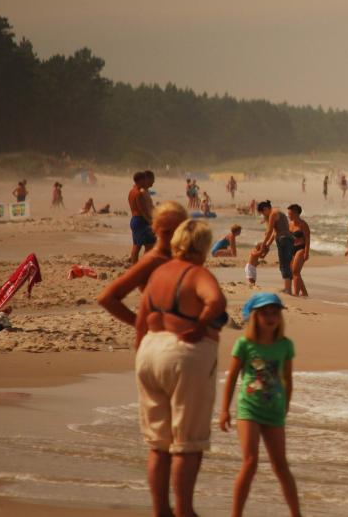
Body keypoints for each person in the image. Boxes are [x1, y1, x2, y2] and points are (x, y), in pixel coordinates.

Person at [134, 219, 227, 517]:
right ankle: (185, 511)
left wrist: (143, 352)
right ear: (202, 246)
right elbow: (216, 301)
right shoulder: (197, 273)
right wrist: (200, 325)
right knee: (188, 442)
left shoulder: (158, 273)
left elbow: (141, 320)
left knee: (158, 443)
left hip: (150, 352)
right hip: (184, 357)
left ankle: (160, 510)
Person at [219, 292, 301, 516]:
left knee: (281, 466)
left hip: (274, 412)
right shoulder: (245, 344)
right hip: (249, 410)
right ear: (255, 317)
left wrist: (285, 406)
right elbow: (232, 377)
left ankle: (296, 514)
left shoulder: (285, 345)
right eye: (265, 313)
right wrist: (225, 410)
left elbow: (288, 379)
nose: (271, 318)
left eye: (275, 313)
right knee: (250, 462)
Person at [99, 202, 189, 328]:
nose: (173, 237)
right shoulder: (152, 261)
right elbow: (106, 298)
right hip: (161, 332)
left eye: (178, 231)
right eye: (167, 232)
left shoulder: (183, 258)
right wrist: (140, 324)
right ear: (155, 229)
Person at [258, 201, 294, 294]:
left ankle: (288, 290)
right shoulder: (277, 212)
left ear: (265, 209)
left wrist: (263, 244)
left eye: (262, 213)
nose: (263, 215)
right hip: (286, 239)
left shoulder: (273, 214)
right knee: (285, 264)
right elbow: (274, 233)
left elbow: (270, 231)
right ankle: (287, 288)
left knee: (284, 264)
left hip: (284, 240)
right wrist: (267, 245)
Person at [129, 171, 156, 265]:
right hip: (141, 221)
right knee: (149, 245)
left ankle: (134, 266)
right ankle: (143, 265)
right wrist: (151, 222)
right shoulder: (139, 193)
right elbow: (142, 210)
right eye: (144, 180)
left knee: (136, 246)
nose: (146, 182)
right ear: (140, 180)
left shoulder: (132, 191)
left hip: (135, 220)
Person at [286, 204, 310, 297]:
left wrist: (306, 252)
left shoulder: (303, 224)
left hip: (301, 248)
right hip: (291, 249)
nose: (288, 215)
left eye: (290, 213)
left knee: (295, 271)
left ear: (296, 213)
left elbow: (307, 239)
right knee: (294, 273)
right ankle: (304, 293)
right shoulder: (289, 224)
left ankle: (296, 293)